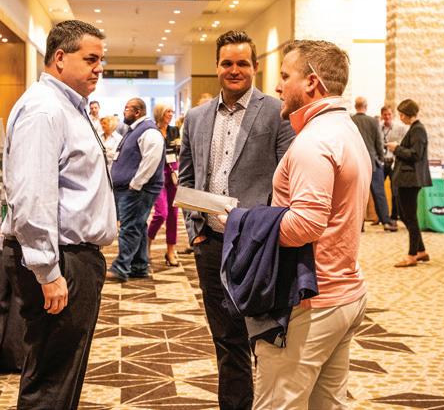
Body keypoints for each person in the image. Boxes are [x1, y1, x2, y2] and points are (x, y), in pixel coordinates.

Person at [247, 39, 371, 409]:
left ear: (312, 82)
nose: (278, 86)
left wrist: (245, 224)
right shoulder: (345, 129)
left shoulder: (313, 142)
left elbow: (305, 226)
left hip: (311, 300)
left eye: (285, 76)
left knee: (277, 404)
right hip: (344, 292)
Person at [1, 20, 116, 409]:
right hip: (58, 259)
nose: (99, 68)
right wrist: (48, 272)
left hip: (73, 256)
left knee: (63, 372)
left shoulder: (69, 107)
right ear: (61, 57)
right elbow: (33, 196)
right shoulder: (44, 109)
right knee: (50, 379)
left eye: (101, 60)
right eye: (91, 59)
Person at [178, 30, 295, 410]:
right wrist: (195, 231)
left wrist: (271, 232)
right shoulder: (196, 117)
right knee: (226, 339)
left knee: (266, 338)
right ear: (216, 66)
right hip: (211, 245)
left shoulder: (277, 113)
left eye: (242, 63)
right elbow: (187, 178)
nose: (234, 70)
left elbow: (288, 179)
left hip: (258, 246)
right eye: (227, 63)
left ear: (255, 66)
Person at [108, 98, 165, 282]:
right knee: (137, 225)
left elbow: (151, 160)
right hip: (131, 189)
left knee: (129, 227)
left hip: (138, 189)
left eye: (127, 109)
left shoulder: (149, 131)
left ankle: (121, 267)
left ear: (137, 112)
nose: (123, 112)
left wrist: (136, 184)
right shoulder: (134, 130)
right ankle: (139, 266)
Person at [386, 99, 432, 267]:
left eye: (401, 114)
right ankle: (421, 250)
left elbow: (415, 154)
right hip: (407, 179)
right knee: (405, 215)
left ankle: (412, 255)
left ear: (407, 114)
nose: (400, 117)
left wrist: (396, 148)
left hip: (410, 180)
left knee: (410, 217)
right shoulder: (414, 128)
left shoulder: (418, 129)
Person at [352, 96, 397, 232]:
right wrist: (381, 158)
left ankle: (359, 225)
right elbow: (379, 142)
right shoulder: (373, 121)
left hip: (355, 163)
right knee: (379, 194)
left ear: (355, 106)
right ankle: (386, 222)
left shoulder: (350, 120)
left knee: (356, 195)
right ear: (366, 107)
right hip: (372, 163)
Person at [146, 103, 181, 266]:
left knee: (174, 213)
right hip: (158, 172)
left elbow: (179, 151)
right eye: (168, 111)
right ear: (160, 113)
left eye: (172, 111)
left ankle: (170, 251)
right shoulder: (152, 131)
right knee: (161, 213)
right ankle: (148, 241)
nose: (171, 114)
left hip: (173, 172)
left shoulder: (174, 130)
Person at [381, 104, 407, 222]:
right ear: (382, 115)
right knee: (379, 191)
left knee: (395, 190)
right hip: (382, 162)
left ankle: (394, 216)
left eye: (389, 114)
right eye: (385, 114)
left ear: (392, 115)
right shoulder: (378, 127)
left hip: (394, 162)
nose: (387, 116)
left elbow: (404, 143)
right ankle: (381, 216)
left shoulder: (400, 128)